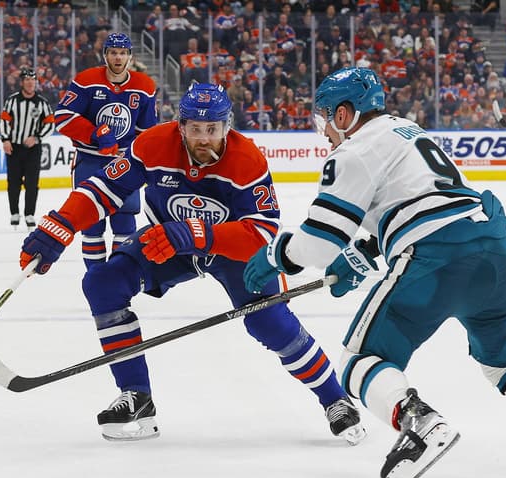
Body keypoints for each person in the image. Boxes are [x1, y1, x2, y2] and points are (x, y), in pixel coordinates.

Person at [243, 68, 506, 478]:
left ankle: (416, 421)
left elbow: (320, 244)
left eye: (324, 118)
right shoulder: (408, 131)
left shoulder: (354, 151)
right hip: (494, 252)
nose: (323, 131)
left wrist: (275, 255)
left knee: (359, 362)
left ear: (344, 115)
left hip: (435, 259)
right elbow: (419, 200)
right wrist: (366, 250)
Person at [19, 83, 364, 444]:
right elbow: (103, 189)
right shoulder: (152, 144)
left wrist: (197, 234)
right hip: (169, 243)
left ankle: (335, 399)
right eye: (195, 128)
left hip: (231, 251)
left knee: (269, 321)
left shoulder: (247, 159)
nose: (203, 138)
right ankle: (136, 395)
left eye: (212, 129)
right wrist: (62, 224)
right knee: (103, 284)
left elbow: (261, 232)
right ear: (180, 125)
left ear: (226, 126)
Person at [54, 33, 157, 269]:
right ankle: (95, 277)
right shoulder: (86, 81)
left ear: (130, 56)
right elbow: (62, 116)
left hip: (125, 164)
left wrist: (137, 156)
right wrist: (95, 133)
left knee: (125, 226)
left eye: (122, 53)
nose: (118, 57)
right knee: (91, 225)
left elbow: (147, 132)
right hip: (90, 160)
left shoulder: (144, 86)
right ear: (105, 55)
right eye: (113, 52)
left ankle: (117, 277)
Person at [0, 68, 55, 230]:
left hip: (33, 149)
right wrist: (5, 139)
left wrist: (36, 138)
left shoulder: (42, 103)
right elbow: (4, 121)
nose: (31, 83)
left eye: (33, 80)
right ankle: (14, 213)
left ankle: (29, 213)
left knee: (32, 183)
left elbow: (50, 124)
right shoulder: (12, 100)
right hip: (14, 148)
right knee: (13, 182)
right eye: (27, 80)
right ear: (22, 82)